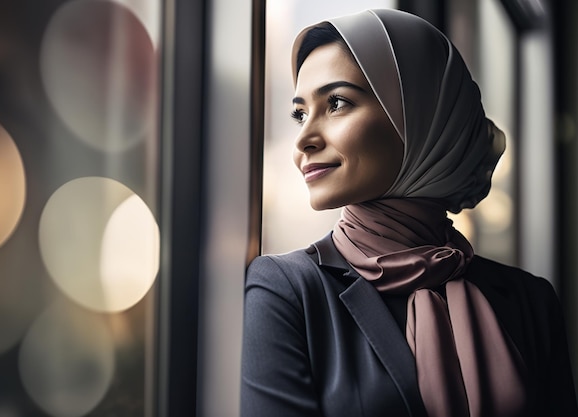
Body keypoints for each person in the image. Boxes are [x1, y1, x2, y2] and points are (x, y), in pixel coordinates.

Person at [240, 8, 577, 417]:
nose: (305, 139)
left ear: (422, 114)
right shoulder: (287, 290)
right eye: (300, 113)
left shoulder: (530, 301)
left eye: (337, 103)